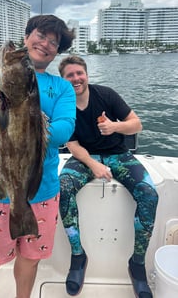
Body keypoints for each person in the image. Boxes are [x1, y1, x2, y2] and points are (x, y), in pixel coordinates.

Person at [0, 15, 76, 298]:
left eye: (54, 42)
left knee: (29, 261)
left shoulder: (62, 87)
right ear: (28, 36)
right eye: (41, 35)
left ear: (58, 51)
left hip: (42, 190)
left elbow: (64, 131)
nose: (46, 44)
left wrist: (35, 121)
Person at [58, 55, 158, 297]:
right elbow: (72, 144)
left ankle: (136, 263)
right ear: (63, 80)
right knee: (63, 187)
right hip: (84, 156)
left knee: (149, 193)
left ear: (86, 74)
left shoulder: (107, 95)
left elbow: (137, 124)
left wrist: (115, 127)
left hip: (118, 154)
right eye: (69, 75)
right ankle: (78, 256)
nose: (75, 78)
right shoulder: (64, 104)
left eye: (79, 73)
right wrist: (93, 164)